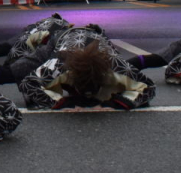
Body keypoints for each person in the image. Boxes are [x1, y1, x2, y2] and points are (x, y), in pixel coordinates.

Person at [14, 24, 156, 110]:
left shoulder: (115, 64)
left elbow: (148, 87)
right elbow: (28, 83)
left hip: (96, 38)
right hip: (61, 39)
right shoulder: (59, 63)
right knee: (19, 68)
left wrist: (119, 102)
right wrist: (62, 102)